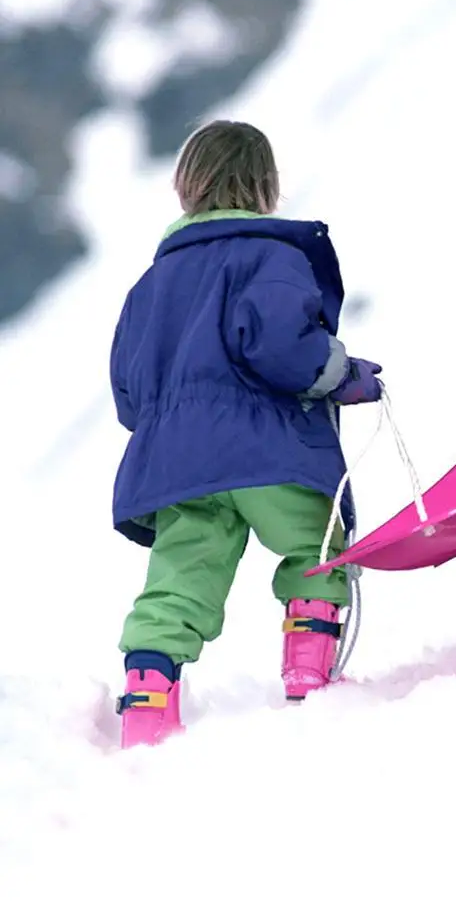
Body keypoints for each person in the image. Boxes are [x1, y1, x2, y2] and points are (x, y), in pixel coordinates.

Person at [110, 119, 382, 749]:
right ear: (266, 188)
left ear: (186, 187)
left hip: (180, 466)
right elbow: (283, 348)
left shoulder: (149, 286)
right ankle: (308, 674)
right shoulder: (273, 257)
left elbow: (130, 394)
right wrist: (339, 375)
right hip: (272, 451)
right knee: (315, 549)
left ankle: (147, 707)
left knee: (179, 577)